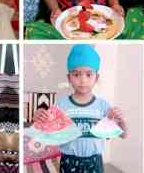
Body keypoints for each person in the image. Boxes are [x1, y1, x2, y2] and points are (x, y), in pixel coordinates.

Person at [33, 44, 128, 172]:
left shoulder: (103, 106)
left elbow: (123, 135)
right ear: (69, 78)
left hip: (94, 161)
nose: (83, 80)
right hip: (68, 160)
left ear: (96, 78)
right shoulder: (60, 105)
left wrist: (122, 123)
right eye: (76, 74)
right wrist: (39, 118)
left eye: (89, 74)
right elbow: (44, 134)